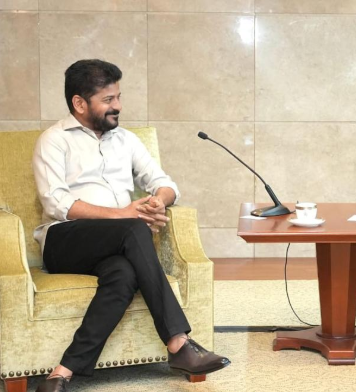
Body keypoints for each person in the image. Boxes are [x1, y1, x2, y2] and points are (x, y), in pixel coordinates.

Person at [32, 59, 230, 392]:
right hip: (64, 241)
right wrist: (125, 214)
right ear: (79, 103)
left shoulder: (126, 139)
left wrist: (158, 201)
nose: (118, 106)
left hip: (115, 243)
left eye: (118, 97)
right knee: (135, 228)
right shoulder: (53, 140)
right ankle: (179, 343)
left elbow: (165, 183)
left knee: (123, 275)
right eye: (108, 100)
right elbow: (57, 204)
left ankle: (60, 375)